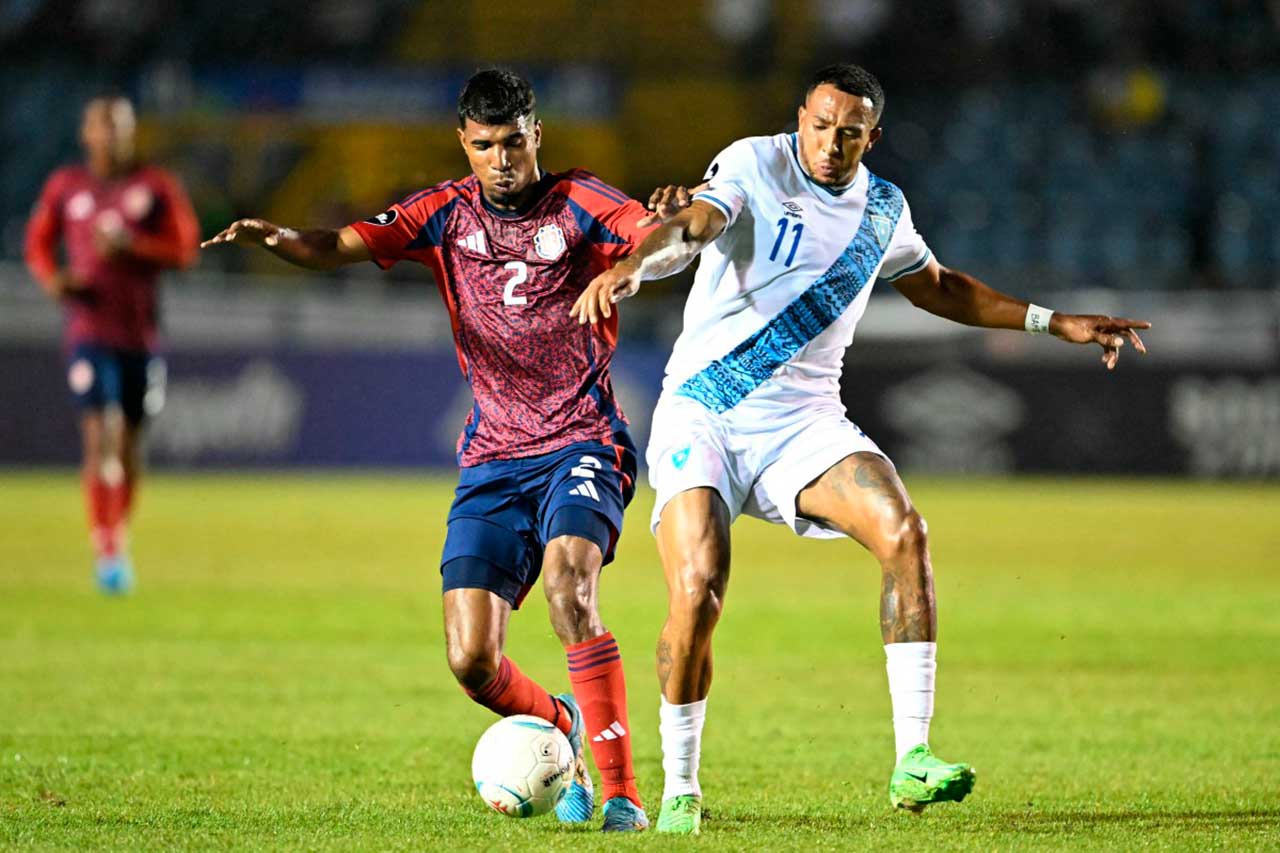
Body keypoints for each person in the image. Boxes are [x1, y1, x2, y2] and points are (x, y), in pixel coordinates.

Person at [572, 62, 1151, 834]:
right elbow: (694, 225)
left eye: (851, 132)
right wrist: (635, 264)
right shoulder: (754, 161)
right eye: (819, 123)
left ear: (872, 138)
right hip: (703, 413)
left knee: (904, 532)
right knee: (700, 588)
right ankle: (681, 785)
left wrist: (1054, 321)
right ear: (799, 118)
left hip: (804, 422)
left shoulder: (883, 210)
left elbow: (937, 284)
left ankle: (913, 758)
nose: (831, 143)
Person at [202, 69, 664, 832]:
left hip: (582, 439)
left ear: (536, 133)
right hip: (492, 459)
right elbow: (339, 243)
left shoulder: (580, 200)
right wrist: (276, 237)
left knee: (568, 587)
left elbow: (650, 234)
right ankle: (564, 727)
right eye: (486, 146)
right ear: (465, 144)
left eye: (514, 141)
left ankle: (622, 796)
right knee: (470, 659)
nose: (503, 159)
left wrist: (627, 265)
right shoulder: (442, 214)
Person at [24, 95, 201, 594]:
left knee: (128, 449)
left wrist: (133, 248)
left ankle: (116, 532)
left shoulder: (154, 187)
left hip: (140, 335)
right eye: (103, 127)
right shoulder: (66, 186)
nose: (112, 136)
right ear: (87, 134)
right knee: (101, 432)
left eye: (120, 127)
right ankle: (107, 547)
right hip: (89, 331)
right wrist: (52, 279)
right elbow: (38, 243)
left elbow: (187, 249)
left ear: (131, 132)